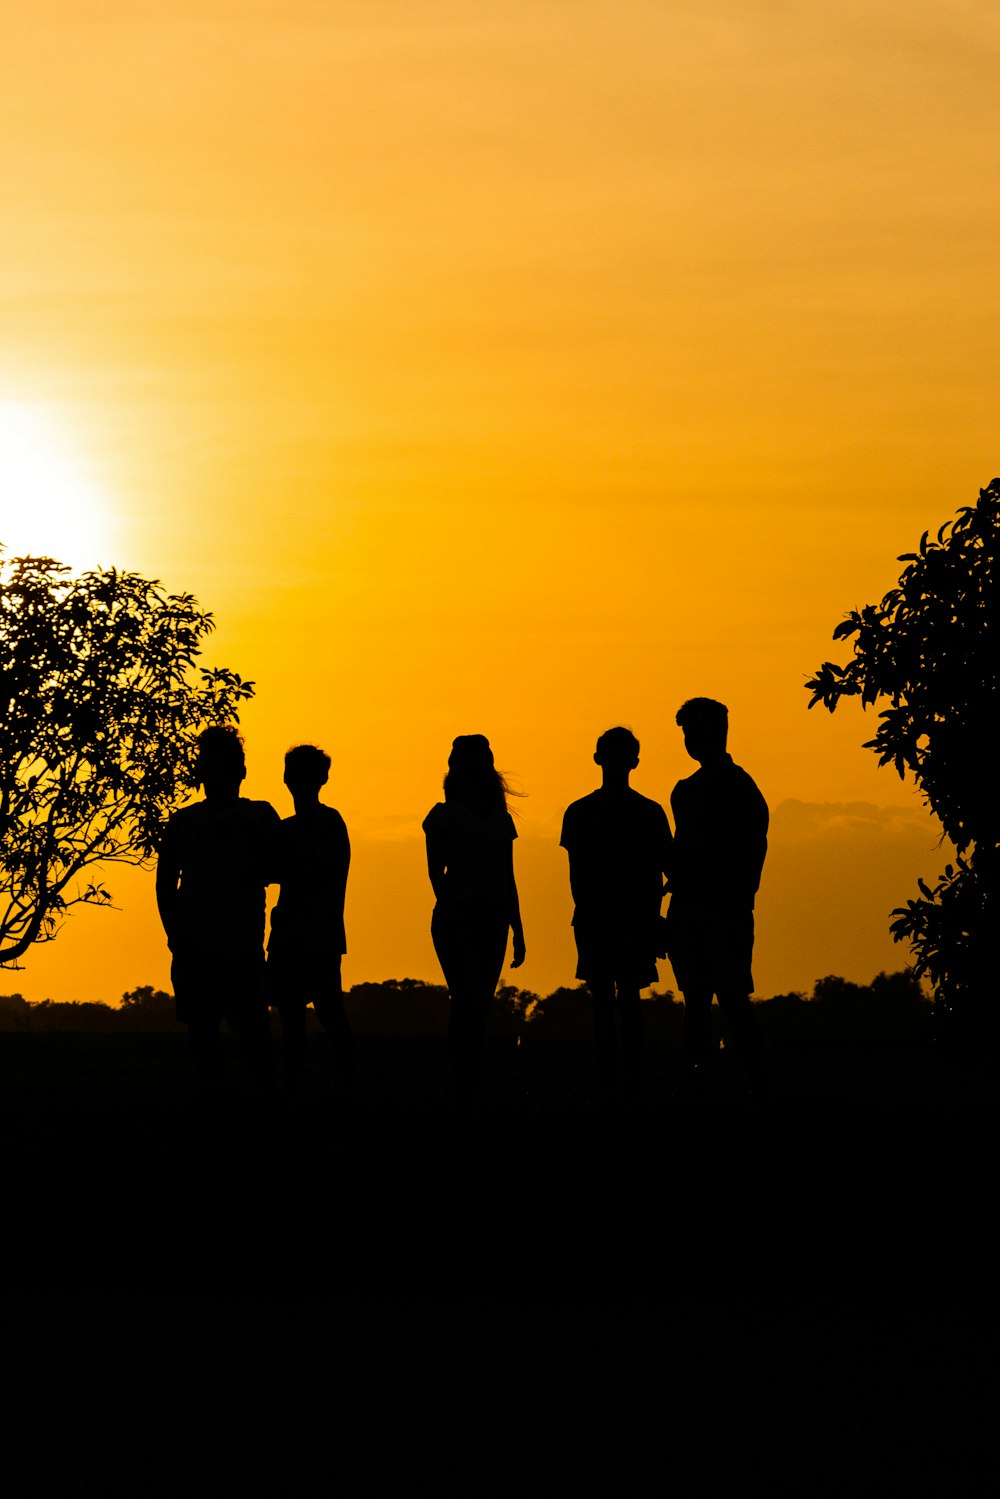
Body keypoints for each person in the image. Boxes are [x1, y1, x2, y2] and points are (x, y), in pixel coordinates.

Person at [156, 725, 280, 1087]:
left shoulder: (193, 822)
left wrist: (175, 935)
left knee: (224, 1039)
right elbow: (164, 886)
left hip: (227, 946)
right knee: (232, 1038)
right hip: (211, 946)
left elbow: (164, 888)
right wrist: (176, 935)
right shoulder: (254, 818)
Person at [560, 727, 673, 1090]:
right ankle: (629, 1080)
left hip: (601, 918)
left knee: (606, 1004)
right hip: (631, 919)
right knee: (627, 1001)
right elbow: (669, 869)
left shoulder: (580, 812)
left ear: (597, 758)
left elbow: (577, 875)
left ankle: (611, 1079)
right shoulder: (649, 812)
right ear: (634, 762)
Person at [665, 698, 769, 1081]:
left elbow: (752, 850)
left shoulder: (738, 787)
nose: (691, 739)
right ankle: (703, 1078)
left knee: (729, 998)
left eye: (695, 730)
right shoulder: (687, 790)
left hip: (724, 910)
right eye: (687, 732)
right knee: (697, 999)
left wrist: (736, 897)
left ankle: (751, 1079)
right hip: (693, 909)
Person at [423, 734, 525, 1094]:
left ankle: (466, 1077)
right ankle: (464, 1077)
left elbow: (505, 874)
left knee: (475, 1000)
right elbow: (437, 875)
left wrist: (517, 926)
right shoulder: (445, 817)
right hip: (468, 915)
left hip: (484, 915)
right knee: (470, 999)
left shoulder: (490, 817)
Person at [267, 743, 354, 1092]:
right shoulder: (313, 825)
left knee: (320, 1013)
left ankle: (330, 1083)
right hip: (306, 931)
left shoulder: (322, 825)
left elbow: (286, 870)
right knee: (305, 1015)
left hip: (310, 931)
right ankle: (302, 1087)